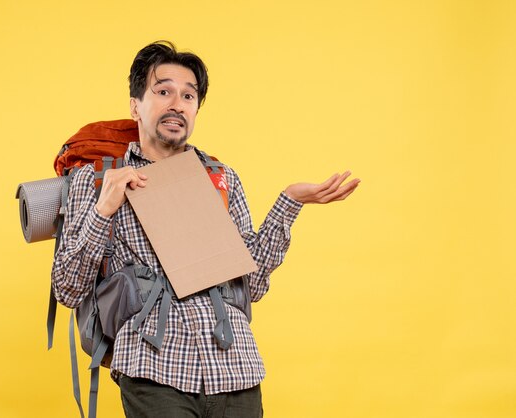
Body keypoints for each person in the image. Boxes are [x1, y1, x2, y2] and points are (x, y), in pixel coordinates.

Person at [51, 41, 360, 417]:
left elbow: (253, 285)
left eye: (188, 96)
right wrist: (104, 209)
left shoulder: (219, 178)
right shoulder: (98, 180)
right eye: (162, 91)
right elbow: (67, 289)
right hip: (153, 369)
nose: (176, 104)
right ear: (136, 105)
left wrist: (289, 203)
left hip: (236, 368)